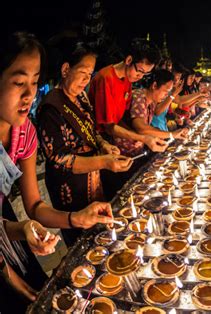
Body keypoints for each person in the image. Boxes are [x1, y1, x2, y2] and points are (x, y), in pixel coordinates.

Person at [0, 32, 112, 312]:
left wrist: (77, 219)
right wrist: (10, 276)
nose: (29, 95)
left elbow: (35, 205)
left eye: (35, 82)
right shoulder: (53, 108)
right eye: (18, 82)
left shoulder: (24, 133)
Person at [37, 41, 132, 246]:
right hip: (70, 193)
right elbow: (60, 159)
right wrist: (105, 162)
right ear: (65, 69)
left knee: (103, 236)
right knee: (83, 244)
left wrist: (103, 146)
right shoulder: (50, 108)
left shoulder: (80, 97)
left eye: (90, 74)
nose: (86, 80)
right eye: (83, 73)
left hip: (94, 183)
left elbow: (91, 131)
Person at [88, 38, 167, 199]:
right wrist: (143, 138)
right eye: (139, 71)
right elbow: (109, 126)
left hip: (116, 145)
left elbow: (121, 118)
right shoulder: (106, 78)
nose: (141, 76)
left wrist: (141, 137)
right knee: (115, 196)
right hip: (101, 146)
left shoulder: (127, 81)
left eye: (146, 73)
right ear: (129, 60)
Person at [116, 69, 187, 157]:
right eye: (166, 91)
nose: (166, 96)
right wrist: (172, 134)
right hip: (120, 154)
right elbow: (141, 128)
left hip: (135, 153)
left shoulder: (152, 102)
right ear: (154, 85)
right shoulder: (139, 97)